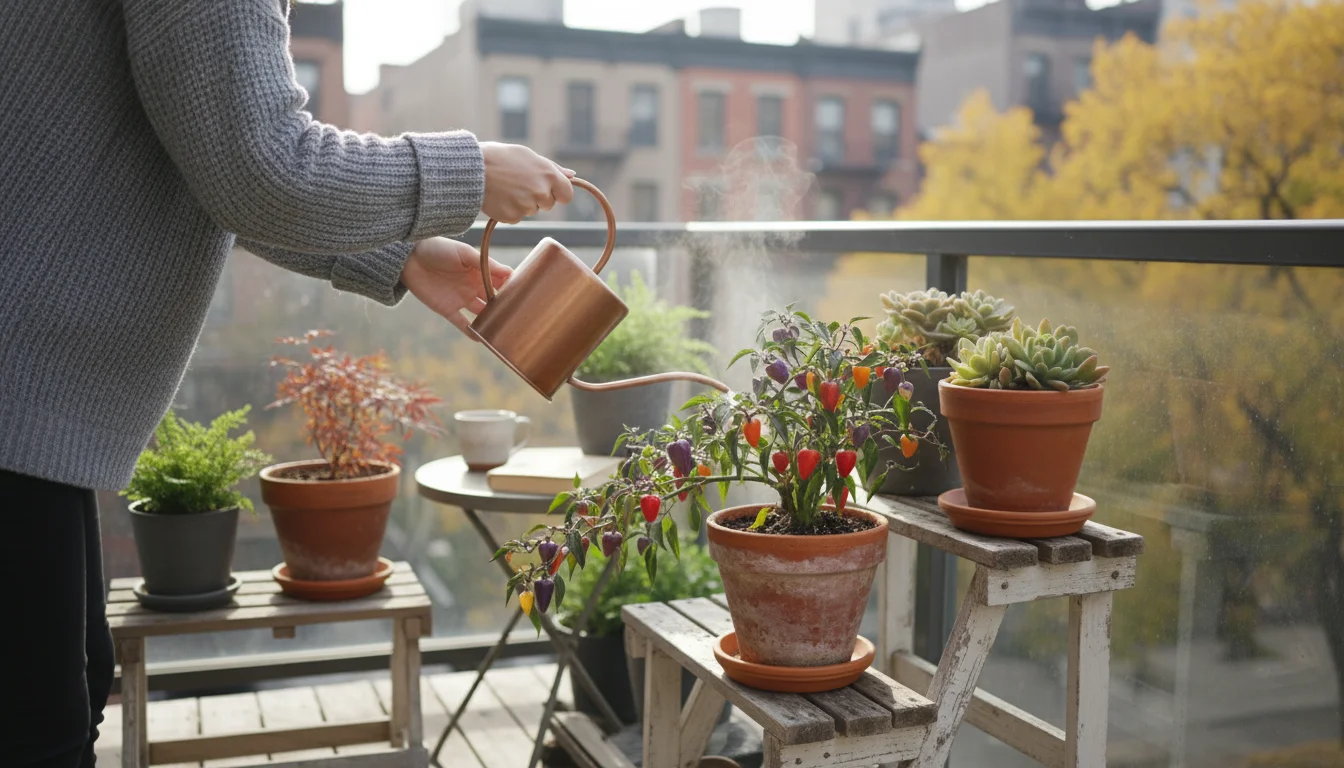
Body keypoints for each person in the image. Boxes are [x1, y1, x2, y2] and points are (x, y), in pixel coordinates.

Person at [0, 0, 575, 765]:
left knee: (68, 692)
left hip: (34, 418)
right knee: (40, 726)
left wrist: (403, 255)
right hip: (21, 406)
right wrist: (471, 172)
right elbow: (261, 168)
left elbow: (208, 159)